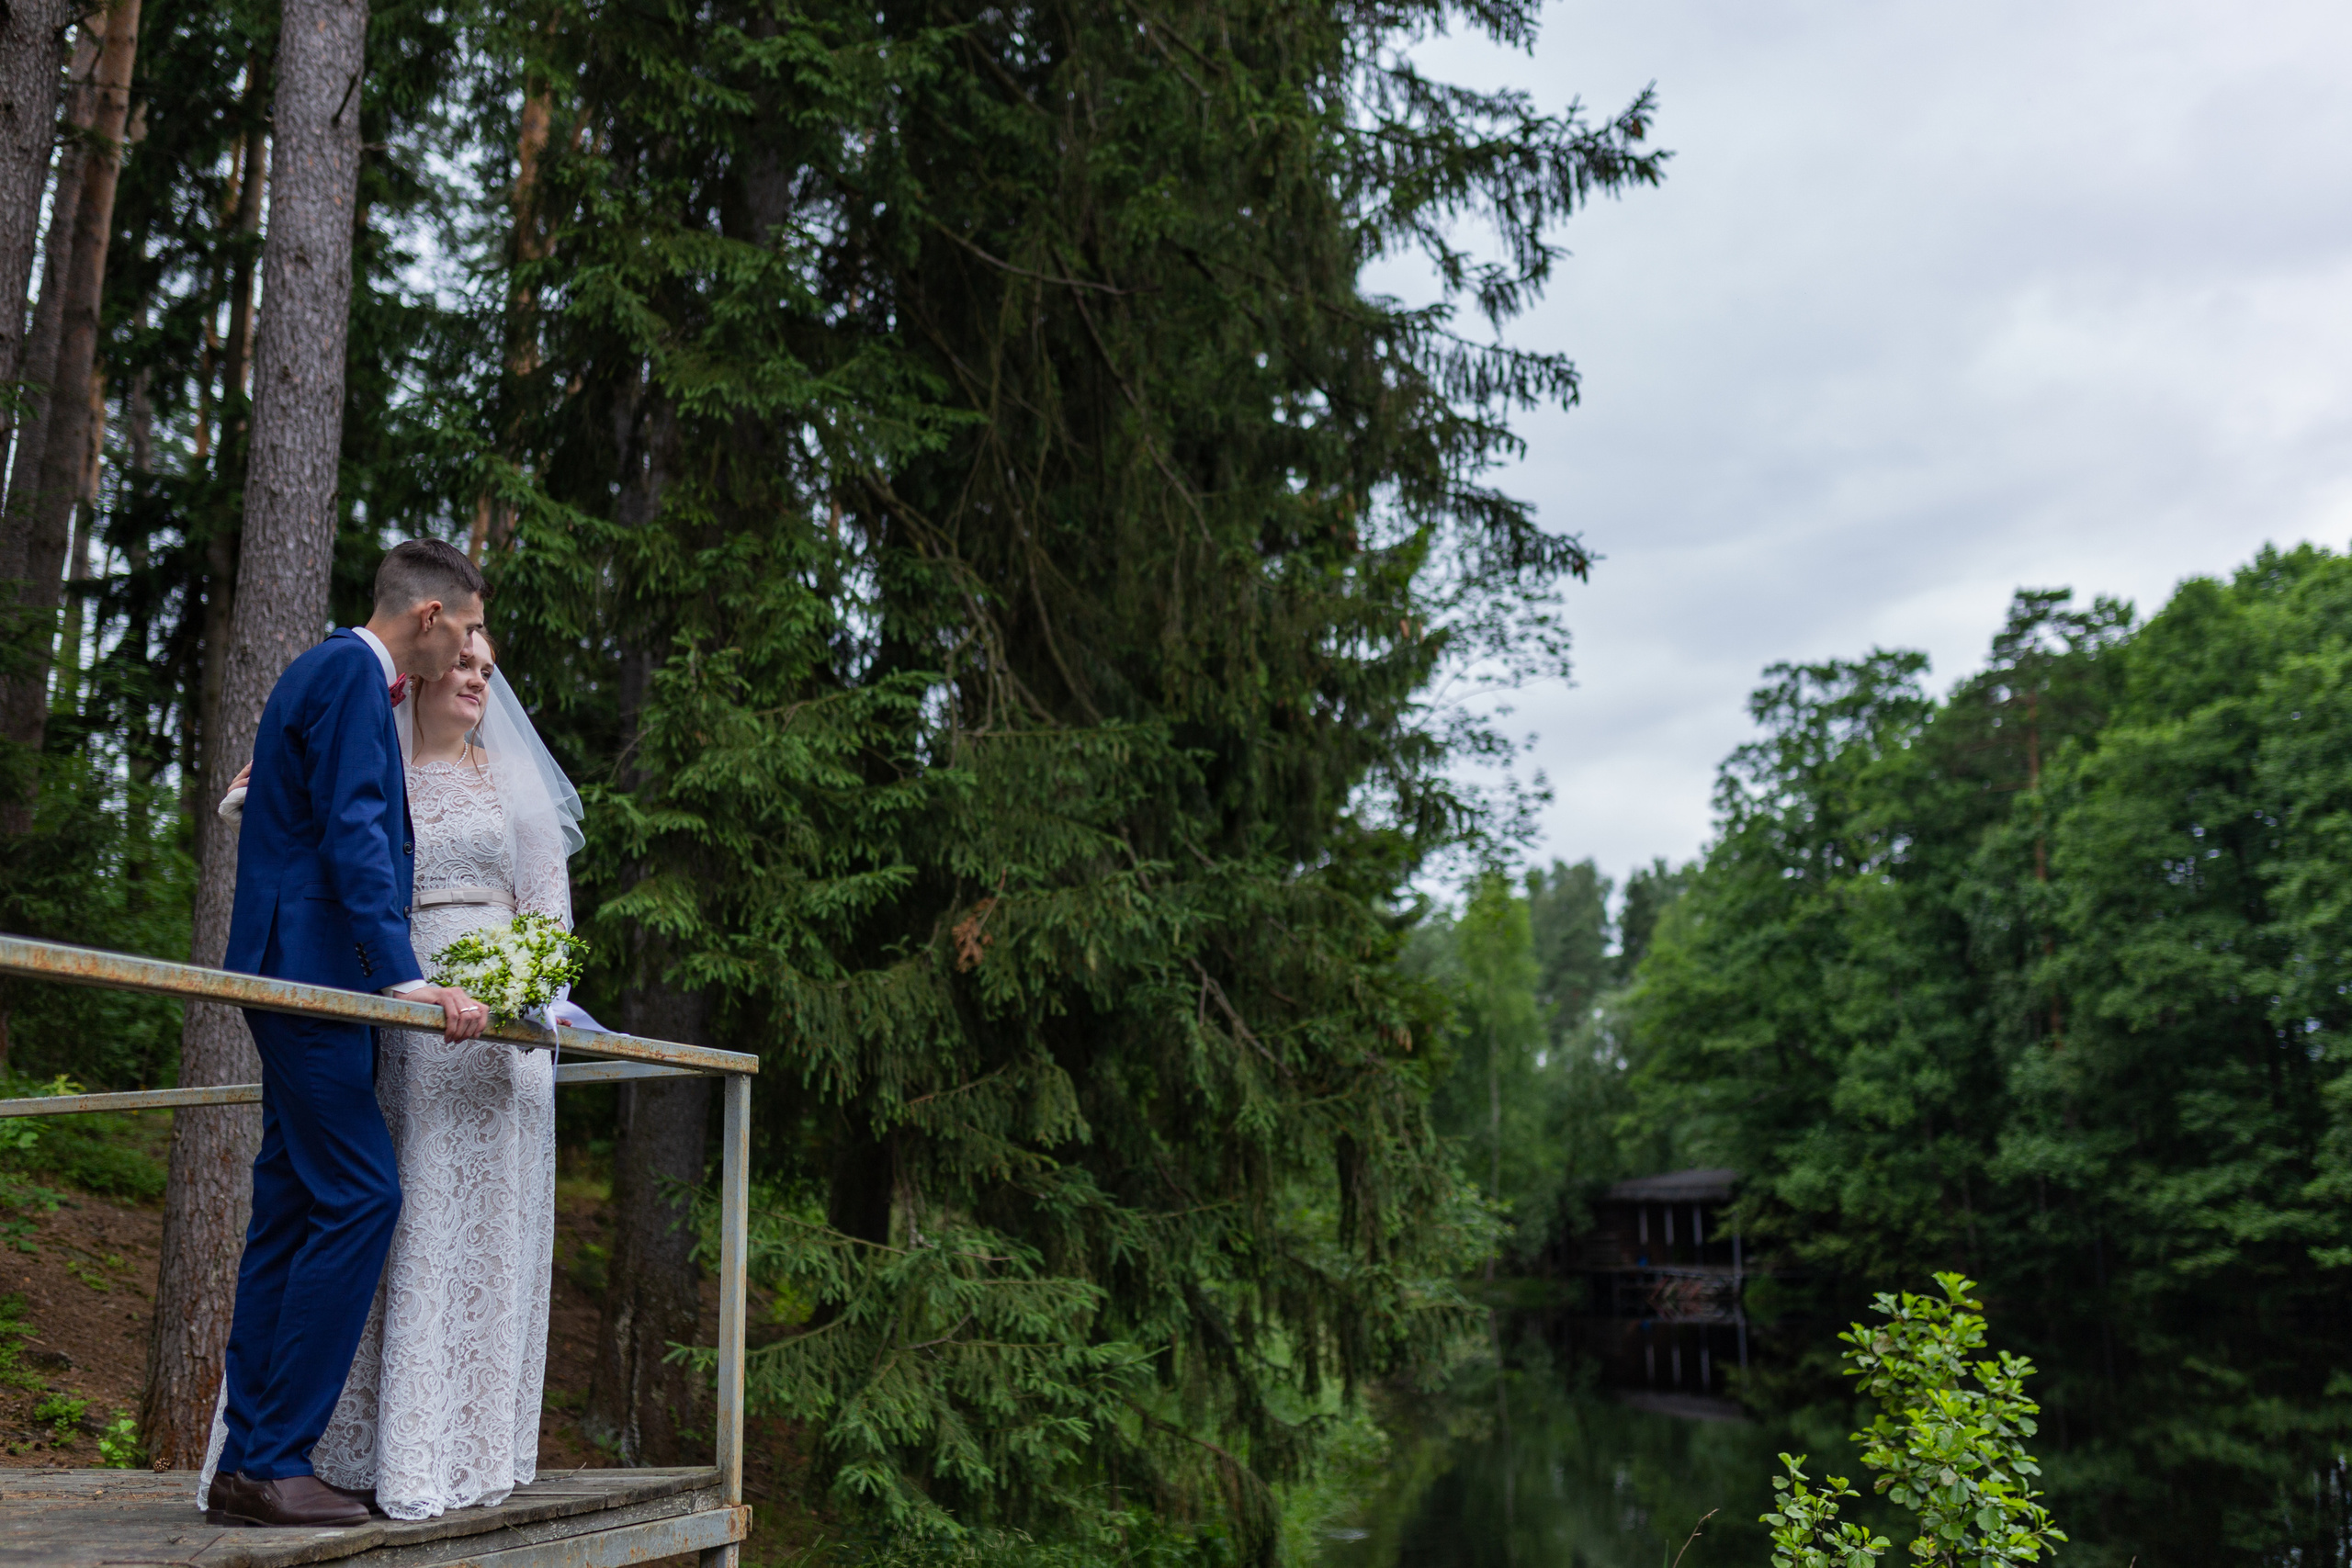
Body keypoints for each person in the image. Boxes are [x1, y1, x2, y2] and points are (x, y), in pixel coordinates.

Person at [204, 625, 595, 1522]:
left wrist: (516, 993)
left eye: (489, 671)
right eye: (463, 660)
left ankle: (441, 1447)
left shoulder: (515, 787)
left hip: (483, 1031)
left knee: (436, 1229)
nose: (475, 679)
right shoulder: (365, 742)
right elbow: (296, 823)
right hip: (380, 1008)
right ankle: (319, 1451)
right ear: (423, 660)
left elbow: (550, 927)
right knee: (369, 1212)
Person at [199, 540, 492, 1530]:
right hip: (315, 975)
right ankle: (277, 1457)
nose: (465, 652)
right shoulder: (348, 675)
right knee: (364, 1193)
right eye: (462, 629)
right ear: (426, 619)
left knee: (290, 1204)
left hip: (303, 969)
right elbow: (354, 828)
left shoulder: (331, 678)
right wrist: (402, 972)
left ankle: (249, 1465)